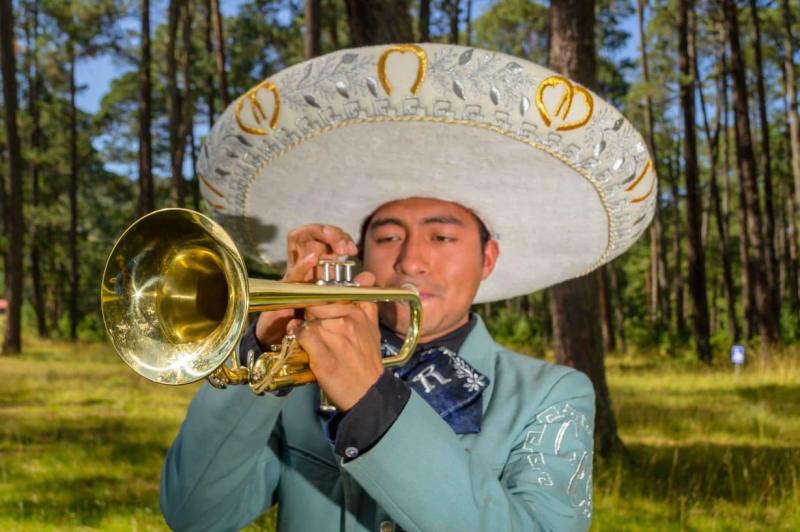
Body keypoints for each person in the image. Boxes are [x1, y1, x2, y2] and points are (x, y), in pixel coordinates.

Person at [160, 42, 656, 531]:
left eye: (441, 236)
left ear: (487, 259)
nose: (411, 260)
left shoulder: (550, 394)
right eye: (388, 236)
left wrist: (371, 400)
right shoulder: (292, 384)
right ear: (360, 257)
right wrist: (257, 351)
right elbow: (196, 515)